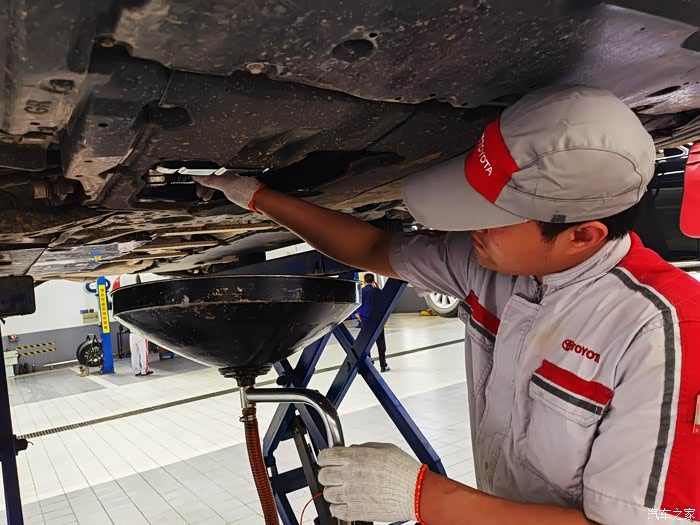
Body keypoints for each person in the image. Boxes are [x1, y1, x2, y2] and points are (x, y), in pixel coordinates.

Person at [195, 86, 699, 524]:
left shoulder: (663, 332)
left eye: (493, 215)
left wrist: (427, 499)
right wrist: (258, 196)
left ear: (581, 235)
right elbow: (375, 248)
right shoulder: (494, 263)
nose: (469, 227)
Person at [355, 273, 390, 372]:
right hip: (377, 319)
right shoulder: (378, 291)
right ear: (373, 281)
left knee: (366, 342)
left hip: (364, 319)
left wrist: (357, 314)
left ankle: (369, 363)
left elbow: (356, 304)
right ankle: (383, 365)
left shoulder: (360, 291)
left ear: (364, 281)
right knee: (380, 342)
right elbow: (384, 303)